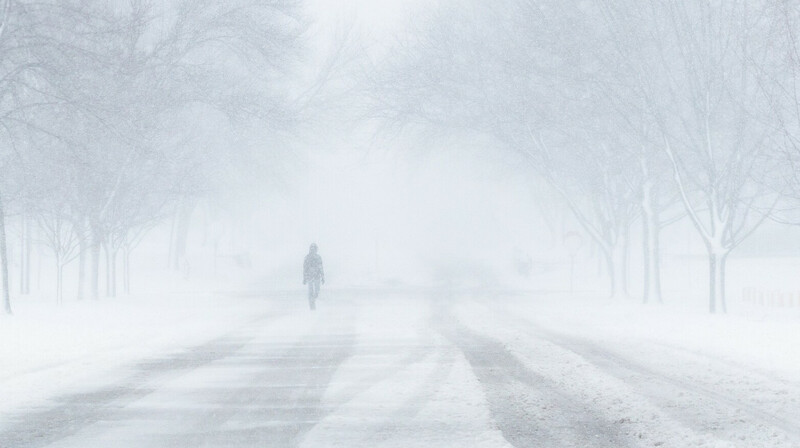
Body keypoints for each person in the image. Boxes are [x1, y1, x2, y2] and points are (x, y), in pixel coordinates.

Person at [303, 243, 325, 310]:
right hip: (310, 277)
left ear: (316, 249)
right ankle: (312, 307)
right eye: (312, 248)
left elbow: (321, 267)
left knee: (316, 292)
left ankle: (312, 303)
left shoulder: (318, 257)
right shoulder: (307, 257)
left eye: (314, 248)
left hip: (316, 277)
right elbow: (305, 268)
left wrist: (323, 277)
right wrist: (304, 278)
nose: (313, 250)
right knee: (311, 292)